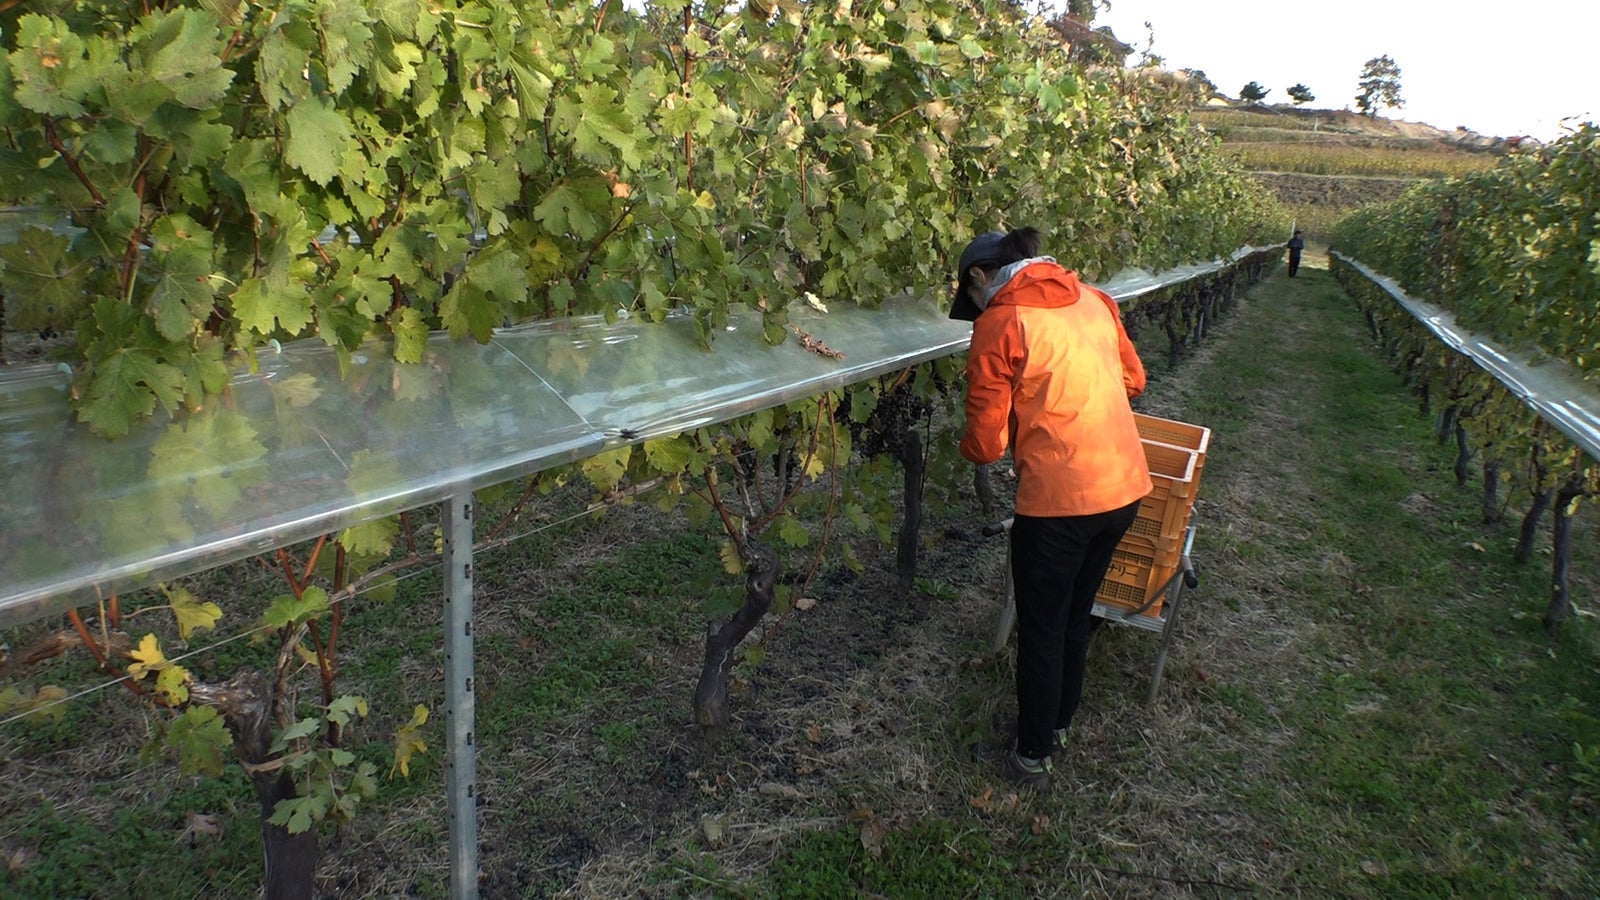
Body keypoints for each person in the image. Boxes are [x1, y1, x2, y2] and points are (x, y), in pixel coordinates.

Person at [950, 227, 1152, 787]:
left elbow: (987, 445)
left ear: (980, 278)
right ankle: (1058, 724)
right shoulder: (1094, 299)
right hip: (1124, 487)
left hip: (1060, 504)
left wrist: (981, 436)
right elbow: (1133, 380)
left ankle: (1032, 754)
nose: (975, 308)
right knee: (1074, 616)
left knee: (1040, 628)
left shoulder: (1002, 321)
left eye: (970, 298)